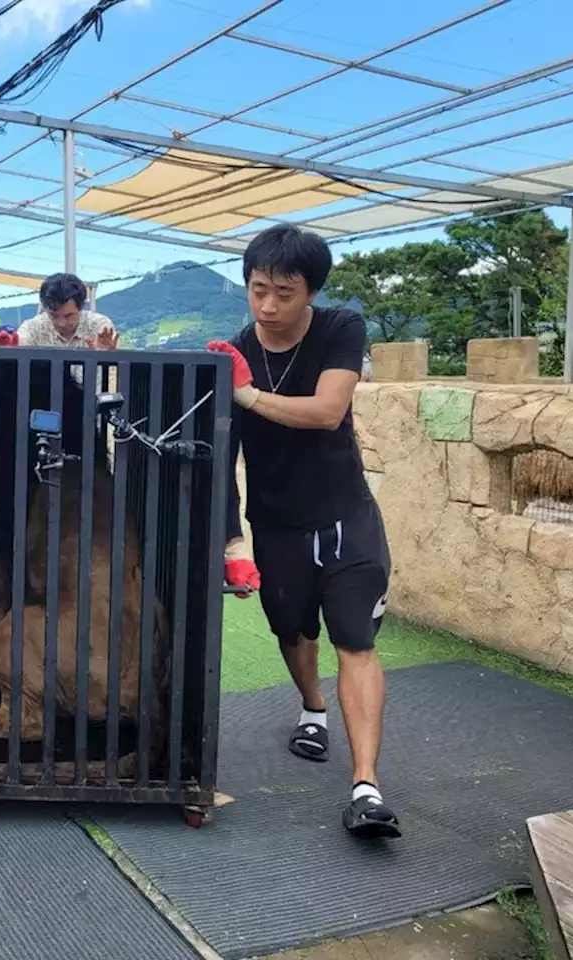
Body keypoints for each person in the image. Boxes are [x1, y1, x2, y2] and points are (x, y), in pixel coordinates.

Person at [211, 223, 400, 840]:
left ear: (310, 292)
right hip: (277, 523)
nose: (267, 305)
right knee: (291, 630)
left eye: (284, 292)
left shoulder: (340, 328)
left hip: (345, 516)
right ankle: (312, 709)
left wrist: (248, 394)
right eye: (257, 288)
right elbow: (223, 452)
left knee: (355, 639)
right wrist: (233, 538)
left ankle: (366, 786)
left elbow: (328, 412)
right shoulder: (241, 348)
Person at [6, 273, 119, 349]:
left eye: (69, 316)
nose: (62, 323)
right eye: (54, 315)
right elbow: (18, 351)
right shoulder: (32, 328)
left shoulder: (99, 327)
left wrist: (105, 356)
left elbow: (113, 367)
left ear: (81, 307)